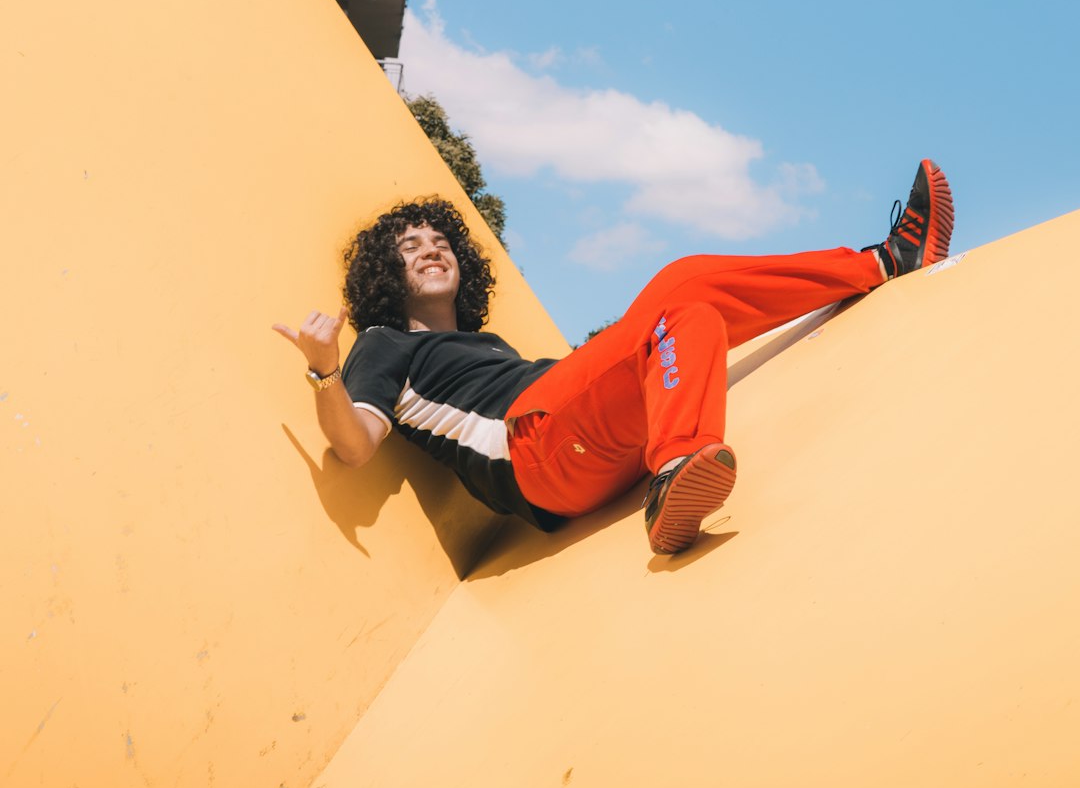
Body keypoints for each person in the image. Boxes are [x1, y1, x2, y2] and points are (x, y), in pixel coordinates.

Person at [274, 159, 954, 555]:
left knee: (688, 311)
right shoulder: (386, 345)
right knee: (680, 285)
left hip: (592, 444)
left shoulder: (484, 347)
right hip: (535, 448)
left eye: (439, 241)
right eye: (409, 247)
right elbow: (356, 446)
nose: (430, 249)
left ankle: (678, 466)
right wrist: (323, 369)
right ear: (386, 279)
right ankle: (885, 259)